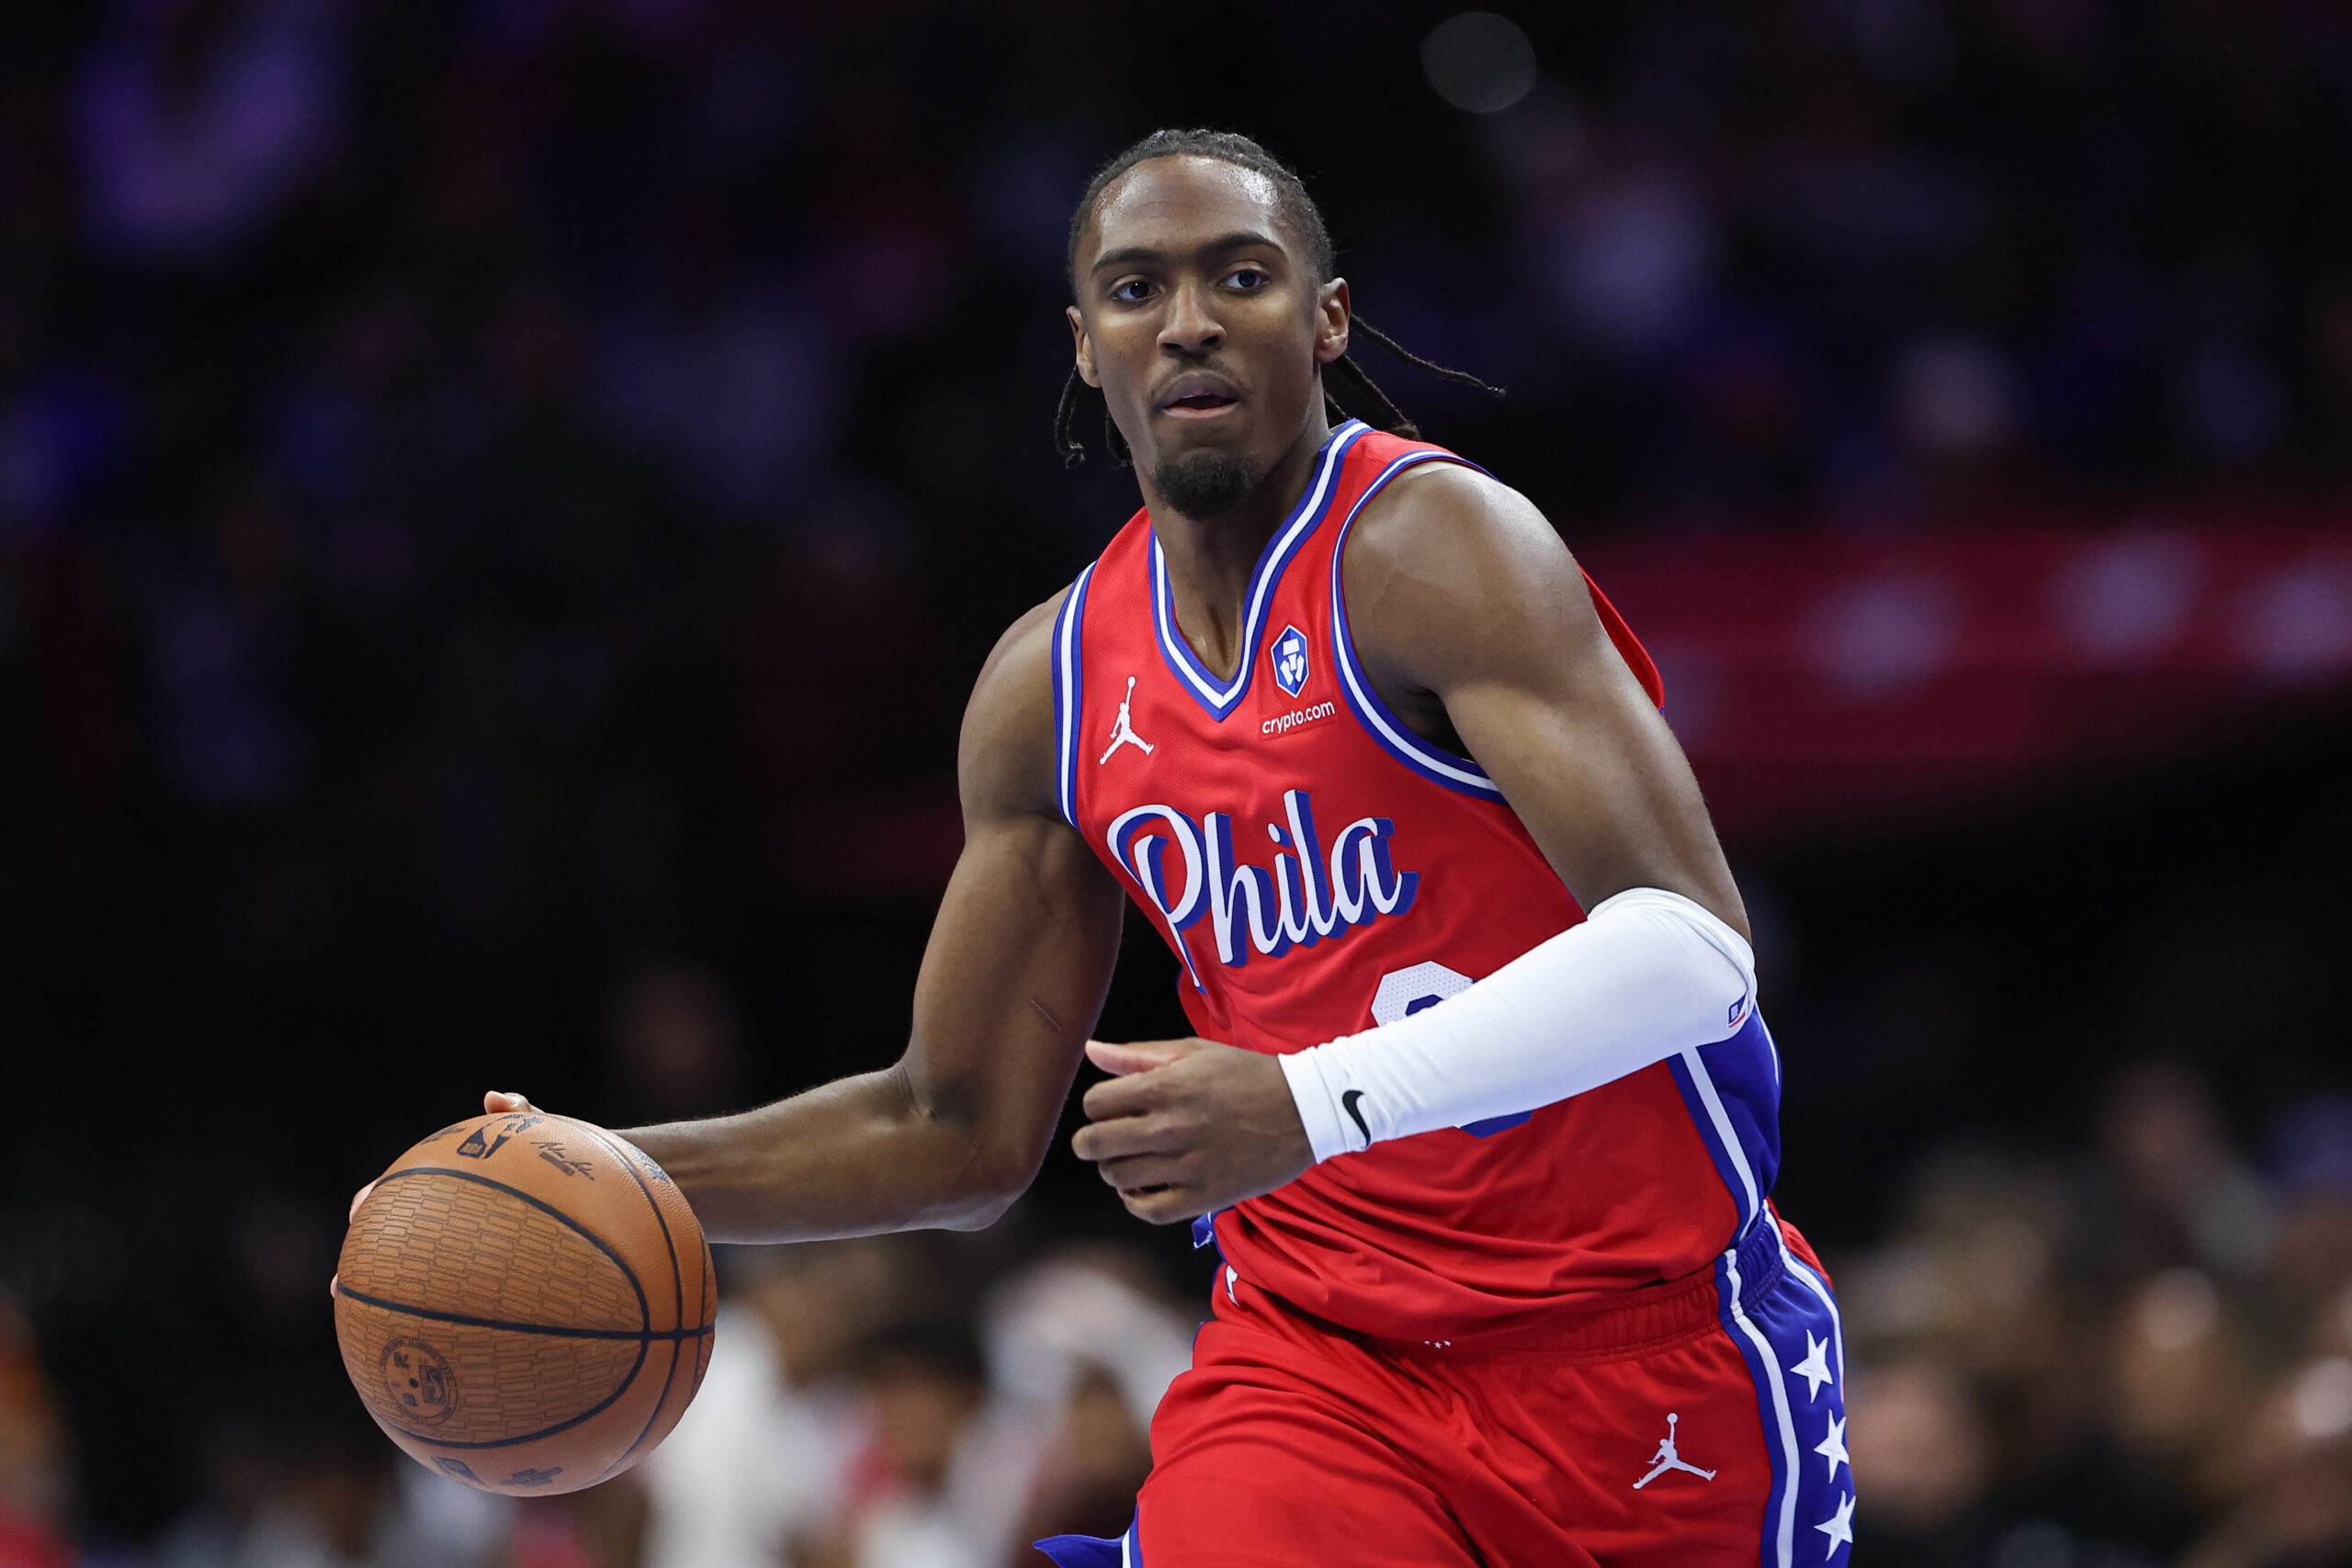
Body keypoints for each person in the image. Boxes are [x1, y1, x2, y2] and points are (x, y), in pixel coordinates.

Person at [439, 130, 1850, 1566]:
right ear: (1083, 344)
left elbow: (1693, 956)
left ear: (1327, 318)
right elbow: (956, 1125)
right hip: (1318, 1362)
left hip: (1638, 1352)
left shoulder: (1436, 548)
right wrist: (603, 1171)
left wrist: (1310, 1103)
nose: (1185, 319)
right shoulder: (1048, 685)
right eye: (1135, 287)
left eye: (1239, 275)